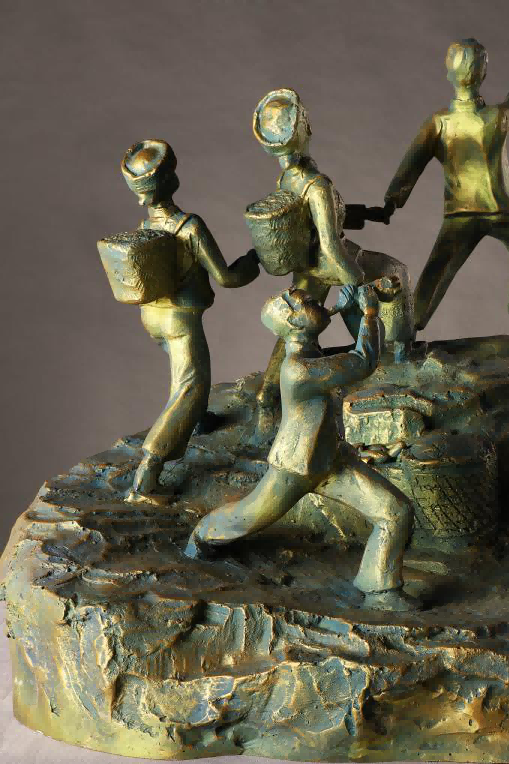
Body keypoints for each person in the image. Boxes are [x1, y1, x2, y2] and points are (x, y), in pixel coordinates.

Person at [185, 285, 420, 612]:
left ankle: (381, 590)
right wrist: (368, 313)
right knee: (248, 516)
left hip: (331, 460)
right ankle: (202, 535)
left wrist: (349, 308)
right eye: (305, 303)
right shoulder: (299, 368)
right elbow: (362, 361)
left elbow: (349, 348)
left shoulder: (311, 353)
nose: (315, 299)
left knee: (394, 510)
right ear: (294, 323)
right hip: (296, 466)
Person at [251, 88, 414, 408]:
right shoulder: (317, 184)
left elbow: (317, 219)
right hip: (329, 260)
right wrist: (356, 280)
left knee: (290, 331)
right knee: (396, 271)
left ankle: (268, 391)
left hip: (307, 264)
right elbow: (330, 243)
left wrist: (366, 213)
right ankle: (396, 355)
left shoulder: (286, 180)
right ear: (303, 130)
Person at [119, 139, 259, 504]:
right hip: (180, 321)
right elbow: (227, 278)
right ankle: (146, 478)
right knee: (191, 387)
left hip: (151, 317)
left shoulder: (145, 226)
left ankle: (197, 420)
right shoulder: (188, 227)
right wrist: (254, 259)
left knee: (183, 374)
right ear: (169, 180)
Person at [384, 26, 509, 338]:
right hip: (503, 209)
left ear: (448, 74)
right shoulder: (498, 116)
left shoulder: (440, 122)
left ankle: (408, 331)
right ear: (483, 74)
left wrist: (393, 200)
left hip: (462, 213)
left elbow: (411, 163)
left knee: (438, 268)